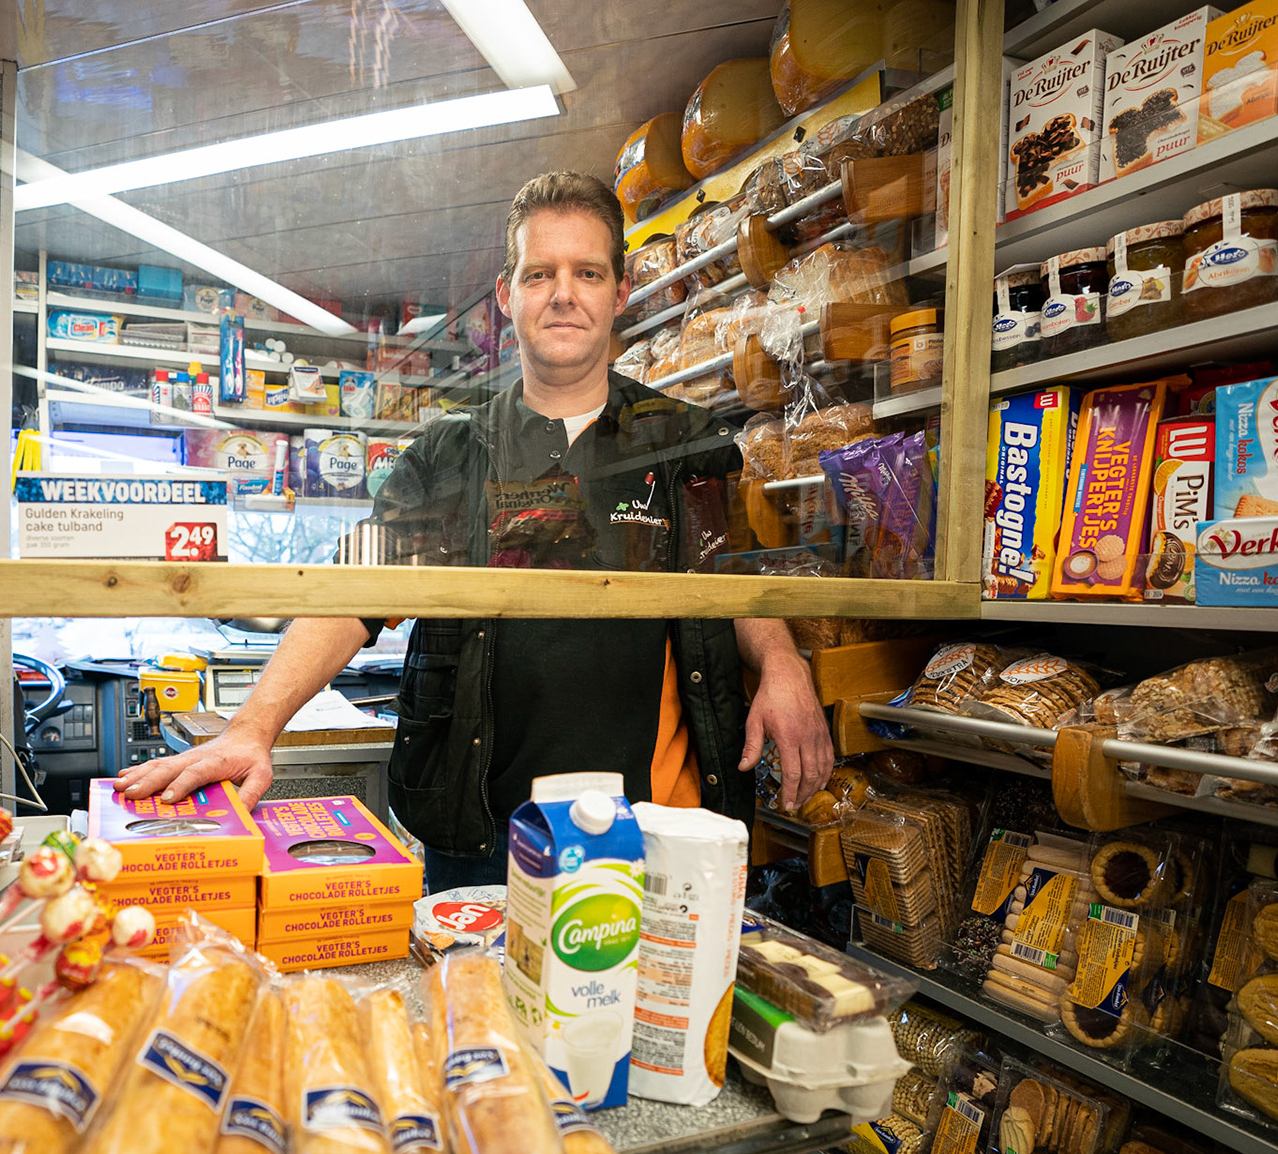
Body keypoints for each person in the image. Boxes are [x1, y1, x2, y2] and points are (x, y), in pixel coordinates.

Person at [118, 171, 833, 891]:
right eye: (539, 273)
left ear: (619, 294)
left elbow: (729, 576)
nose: (563, 293)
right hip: (484, 839)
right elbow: (357, 590)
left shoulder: (683, 443)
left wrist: (780, 661)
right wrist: (254, 726)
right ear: (506, 295)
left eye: (587, 272)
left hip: (654, 833)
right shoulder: (451, 455)